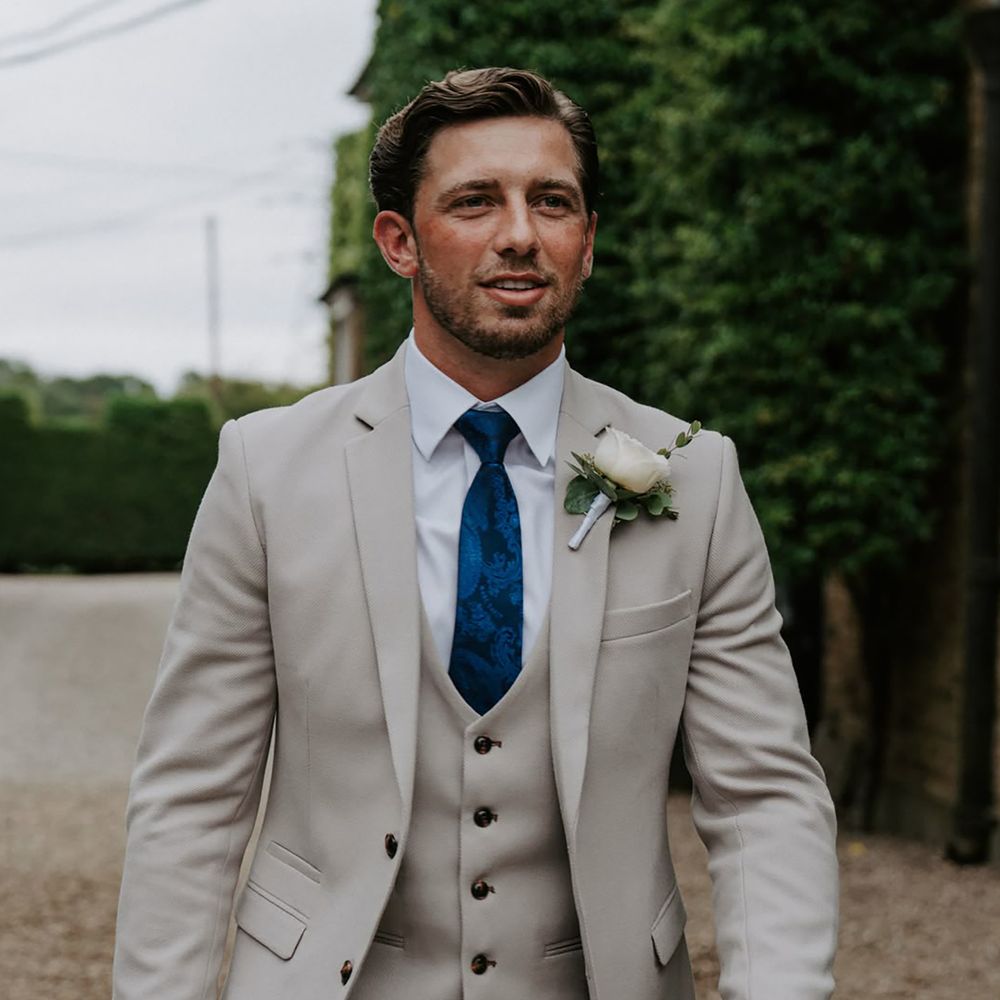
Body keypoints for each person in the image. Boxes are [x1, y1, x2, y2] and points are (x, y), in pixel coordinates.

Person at [112, 67, 838, 1000]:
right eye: (473, 202)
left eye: (553, 202)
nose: (520, 235)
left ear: (589, 243)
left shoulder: (693, 475)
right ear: (399, 243)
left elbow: (765, 796)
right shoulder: (266, 468)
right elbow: (193, 796)